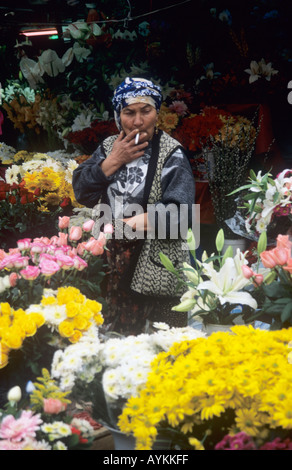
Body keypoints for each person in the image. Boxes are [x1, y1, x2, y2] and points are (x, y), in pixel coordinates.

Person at [73, 77, 196, 335]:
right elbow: (82, 192)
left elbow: (181, 214)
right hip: (111, 267)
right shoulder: (108, 148)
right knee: (111, 342)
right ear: (118, 115)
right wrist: (112, 162)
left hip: (155, 268)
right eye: (129, 112)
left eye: (146, 111)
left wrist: (120, 228)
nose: (138, 121)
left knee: (161, 346)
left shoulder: (171, 154)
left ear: (157, 113)